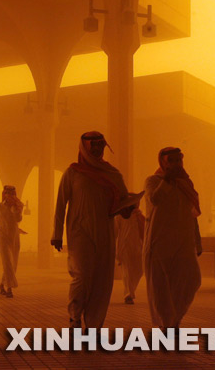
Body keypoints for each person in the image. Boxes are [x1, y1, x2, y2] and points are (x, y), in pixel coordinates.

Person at [52, 131, 141, 329]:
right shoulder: (72, 173)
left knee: (102, 279)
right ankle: (75, 317)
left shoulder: (113, 174)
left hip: (105, 232)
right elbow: (60, 204)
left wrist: (128, 208)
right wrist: (56, 234)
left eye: (101, 145)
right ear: (84, 147)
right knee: (82, 276)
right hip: (79, 232)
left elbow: (123, 204)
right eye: (93, 145)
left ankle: (94, 323)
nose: (98, 149)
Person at [143, 147, 202, 330]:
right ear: (163, 163)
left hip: (184, 241)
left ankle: (174, 318)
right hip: (159, 240)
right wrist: (167, 180)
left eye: (179, 160)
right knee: (160, 286)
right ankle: (165, 324)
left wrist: (197, 240)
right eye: (171, 161)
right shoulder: (153, 181)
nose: (176, 164)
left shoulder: (186, 183)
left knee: (192, 280)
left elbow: (192, 213)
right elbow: (155, 200)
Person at [114, 204, 145, 305]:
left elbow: (144, 230)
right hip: (125, 246)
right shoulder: (120, 216)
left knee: (139, 270)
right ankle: (128, 295)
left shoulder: (139, 215)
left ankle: (131, 291)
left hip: (138, 246)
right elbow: (115, 231)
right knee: (127, 271)